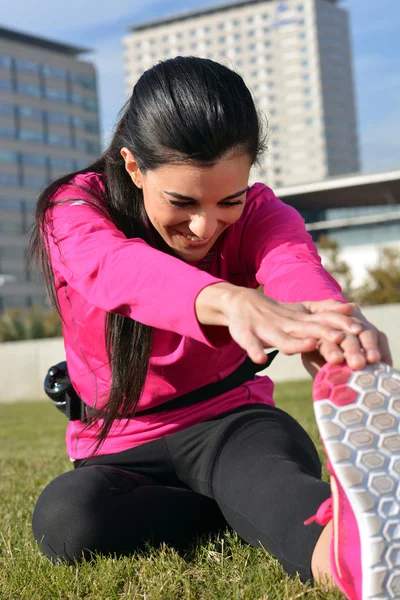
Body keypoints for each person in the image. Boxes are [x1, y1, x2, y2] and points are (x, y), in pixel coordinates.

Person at [30, 57, 398, 599]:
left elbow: (294, 266)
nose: (205, 226)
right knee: (67, 519)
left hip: (235, 428)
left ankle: (355, 552)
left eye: (229, 200)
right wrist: (228, 300)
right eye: (182, 202)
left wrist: (333, 323)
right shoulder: (75, 209)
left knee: (273, 490)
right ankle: (234, 512)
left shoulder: (261, 213)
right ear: (133, 167)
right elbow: (115, 270)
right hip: (120, 446)